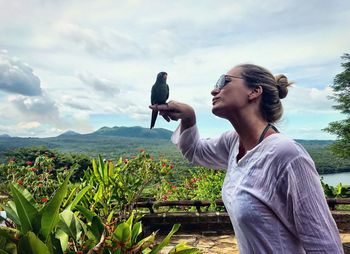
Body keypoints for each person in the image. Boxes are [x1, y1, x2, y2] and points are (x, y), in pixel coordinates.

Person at [149, 64, 344, 253]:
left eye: (224, 81)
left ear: (254, 92)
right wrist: (189, 117)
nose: (214, 90)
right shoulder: (233, 142)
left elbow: (325, 246)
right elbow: (195, 152)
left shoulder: (287, 155)